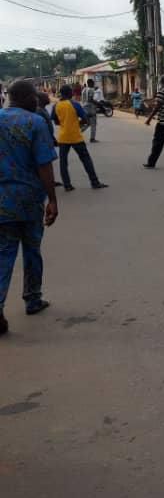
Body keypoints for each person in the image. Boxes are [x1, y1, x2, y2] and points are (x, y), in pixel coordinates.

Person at [0, 80, 59, 334]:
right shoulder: (35, 122)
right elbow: (44, 165)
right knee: (32, 250)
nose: (37, 100)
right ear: (24, 97)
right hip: (29, 199)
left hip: (2, 199)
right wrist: (52, 200)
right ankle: (33, 299)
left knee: (3, 254)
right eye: (34, 96)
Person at [53, 85, 107, 191]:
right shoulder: (74, 104)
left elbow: (55, 121)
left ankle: (67, 185)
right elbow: (85, 119)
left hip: (63, 137)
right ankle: (94, 182)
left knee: (63, 162)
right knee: (86, 159)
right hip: (75, 136)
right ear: (70, 93)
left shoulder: (56, 105)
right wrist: (77, 123)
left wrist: (65, 123)